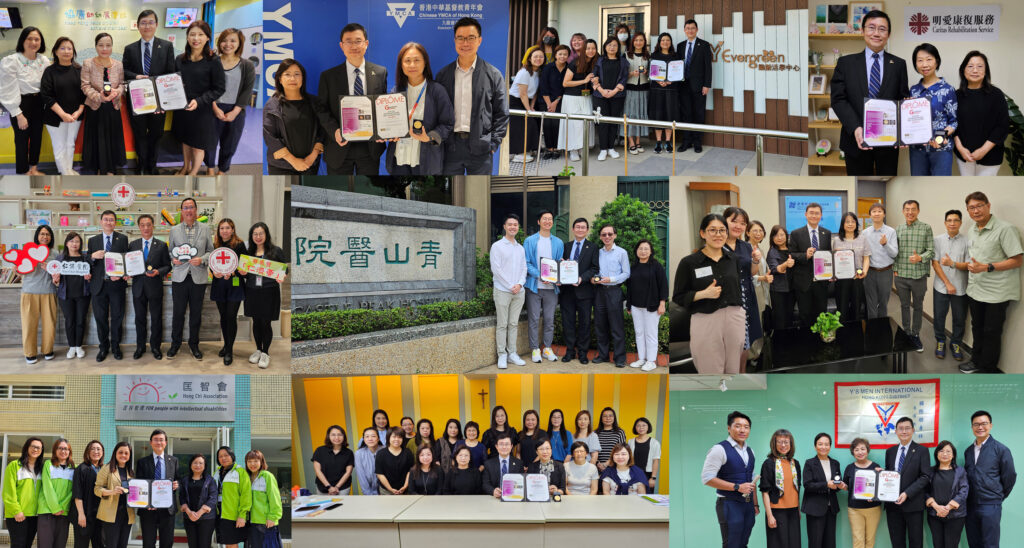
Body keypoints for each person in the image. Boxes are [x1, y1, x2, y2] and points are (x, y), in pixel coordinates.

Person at [831, 10, 909, 174]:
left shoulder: (899, 64)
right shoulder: (846, 63)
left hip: (888, 142)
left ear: (888, 34)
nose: (876, 33)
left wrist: (904, 130)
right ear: (863, 31)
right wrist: (856, 127)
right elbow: (838, 99)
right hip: (855, 139)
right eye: (871, 27)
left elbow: (902, 99)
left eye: (882, 29)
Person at [673, 214, 745, 373]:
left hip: (734, 317)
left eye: (722, 230)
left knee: (733, 368)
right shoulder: (689, 262)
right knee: (710, 368)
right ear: (702, 233)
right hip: (706, 318)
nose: (718, 235)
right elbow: (678, 296)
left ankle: (729, 395)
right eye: (712, 230)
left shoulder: (733, 258)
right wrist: (703, 294)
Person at [436, 17, 508, 174]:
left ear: (479, 40)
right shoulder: (443, 75)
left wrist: (493, 143)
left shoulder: (493, 75)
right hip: (450, 148)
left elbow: (502, 114)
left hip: (481, 149)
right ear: (455, 40)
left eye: (471, 38)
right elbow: (437, 111)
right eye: (460, 38)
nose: (465, 43)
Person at [960, 192, 1023, 374]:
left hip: (997, 292)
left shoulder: (1005, 229)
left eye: (980, 205)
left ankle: (987, 369)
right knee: (977, 327)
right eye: (972, 208)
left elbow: (1017, 260)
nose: (976, 210)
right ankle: (976, 361)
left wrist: (987, 267)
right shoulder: (972, 229)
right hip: (976, 289)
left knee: (991, 332)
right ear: (968, 211)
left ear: (988, 206)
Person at [316, 23, 388, 175]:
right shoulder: (328, 76)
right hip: (339, 146)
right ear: (341, 45)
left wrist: (384, 130)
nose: (353, 46)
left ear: (366, 44)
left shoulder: (380, 73)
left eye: (358, 41)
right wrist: (334, 130)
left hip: (370, 148)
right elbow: (321, 109)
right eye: (348, 41)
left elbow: (383, 107)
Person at [384, 42, 454, 175]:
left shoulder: (437, 91)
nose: (412, 65)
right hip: (399, 158)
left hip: (425, 160)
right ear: (401, 65)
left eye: (417, 60)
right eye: (407, 61)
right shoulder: (395, 92)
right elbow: (388, 123)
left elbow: (448, 123)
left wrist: (429, 137)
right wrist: (387, 133)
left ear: (425, 63)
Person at [123, 10, 176, 175]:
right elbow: (124, 71)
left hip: (158, 101)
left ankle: (152, 165)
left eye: (150, 22)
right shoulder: (130, 48)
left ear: (156, 25)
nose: (147, 26)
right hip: (138, 99)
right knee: (139, 134)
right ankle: (141, 164)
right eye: (143, 23)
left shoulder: (166, 46)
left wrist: (165, 102)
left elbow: (170, 73)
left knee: (156, 134)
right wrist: (136, 76)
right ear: (138, 26)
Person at [172, 21, 225, 175]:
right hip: (183, 107)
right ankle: (185, 167)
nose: (196, 38)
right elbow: (173, 82)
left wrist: (200, 101)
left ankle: (193, 173)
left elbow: (219, 88)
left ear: (207, 37)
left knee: (198, 145)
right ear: (187, 37)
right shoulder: (180, 59)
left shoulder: (213, 60)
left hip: (202, 109)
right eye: (192, 34)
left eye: (200, 34)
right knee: (185, 141)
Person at [702, 411, 758, 548]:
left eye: (746, 427)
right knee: (731, 545)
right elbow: (707, 478)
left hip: (748, 505)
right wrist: (737, 487)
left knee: (743, 543)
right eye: (738, 426)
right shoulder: (719, 449)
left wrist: (755, 504)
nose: (742, 430)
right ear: (729, 428)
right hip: (728, 504)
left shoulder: (750, 451)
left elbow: (751, 480)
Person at [204, 28, 255, 175]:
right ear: (219, 43)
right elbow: (206, 86)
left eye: (233, 41)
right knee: (210, 142)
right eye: (224, 40)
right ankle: (210, 168)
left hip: (236, 110)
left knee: (230, 143)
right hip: (213, 107)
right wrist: (214, 106)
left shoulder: (247, 65)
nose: (228, 44)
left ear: (240, 43)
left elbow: (247, 90)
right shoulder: (212, 62)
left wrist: (235, 111)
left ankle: (223, 170)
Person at [168, 198, 213, 360]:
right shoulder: (174, 230)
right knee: (178, 313)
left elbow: (210, 251)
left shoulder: (206, 229)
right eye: (185, 207)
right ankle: (175, 344)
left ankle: (194, 344)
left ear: (196, 210)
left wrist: (202, 260)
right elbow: (170, 251)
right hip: (180, 277)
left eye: (191, 207)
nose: (189, 210)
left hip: (198, 277)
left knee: (196, 314)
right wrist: (173, 259)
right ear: (181, 210)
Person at [263, 58, 325, 174]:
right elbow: (270, 137)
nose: (292, 78)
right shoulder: (272, 105)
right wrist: (294, 161)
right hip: (281, 167)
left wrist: (312, 157)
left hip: (310, 165)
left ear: (302, 78)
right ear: (280, 79)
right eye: (287, 74)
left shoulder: (314, 102)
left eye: (297, 74)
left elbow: (321, 131)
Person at [964, 410, 1016, 547]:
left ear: (991, 425)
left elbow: (1009, 477)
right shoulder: (968, 451)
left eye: (984, 423)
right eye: (976, 424)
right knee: (973, 542)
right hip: (970, 505)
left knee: (990, 544)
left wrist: (997, 496)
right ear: (972, 427)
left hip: (990, 505)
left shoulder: (1001, 449)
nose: (980, 427)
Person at [0, 27, 48, 175]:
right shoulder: (11, 61)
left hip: (39, 103)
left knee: (36, 137)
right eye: (29, 39)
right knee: (21, 140)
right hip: (21, 103)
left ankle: (34, 168)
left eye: (37, 39)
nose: (33, 42)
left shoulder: (43, 60)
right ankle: (22, 172)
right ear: (22, 40)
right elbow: (7, 89)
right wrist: (18, 114)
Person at [953, 51, 1009, 176]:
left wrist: (983, 150)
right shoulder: (956, 96)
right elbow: (952, 124)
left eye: (979, 66)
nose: (975, 70)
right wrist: (960, 148)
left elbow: (1002, 126)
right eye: (970, 66)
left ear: (986, 71)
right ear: (963, 70)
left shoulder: (996, 95)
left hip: (991, 156)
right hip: (964, 155)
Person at [723, 207, 763, 371]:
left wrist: (755, 261)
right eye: (734, 221)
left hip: (747, 296)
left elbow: (752, 273)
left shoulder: (746, 246)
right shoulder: (717, 245)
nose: (738, 226)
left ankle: (743, 374)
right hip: (726, 299)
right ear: (724, 221)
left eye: (742, 223)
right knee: (730, 343)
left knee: (746, 341)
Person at [884, 417, 933, 548]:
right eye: (900, 428)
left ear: (913, 430)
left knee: (916, 542)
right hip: (893, 505)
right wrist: (880, 476)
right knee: (896, 542)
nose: (904, 431)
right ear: (896, 431)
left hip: (913, 504)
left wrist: (907, 493)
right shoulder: (890, 452)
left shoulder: (922, 450)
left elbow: (925, 476)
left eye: (907, 428)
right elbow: (889, 476)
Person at [908, 43, 956, 176]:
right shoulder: (913, 90)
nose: (925, 64)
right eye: (920, 60)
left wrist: (940, 138)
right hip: (917, 150)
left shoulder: (948, 89)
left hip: (941, 148)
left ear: (937, 62)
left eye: (929, 59)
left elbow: (954, 121)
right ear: (915, 64)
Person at [81, 33, 125, 175]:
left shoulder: (118, 65)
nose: (104, 48)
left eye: (108, 45)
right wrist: (98, 96)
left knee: (112, 138)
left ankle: (111, 168)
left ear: (112, 46)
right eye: (101, 45)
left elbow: (123, 85)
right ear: (96, 46)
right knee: (97, 139)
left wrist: (116, 92)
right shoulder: (88, 63)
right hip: (96, 108)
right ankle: (99, 168)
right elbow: (85, 86)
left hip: (113, 108)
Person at [87, 211, 128, 362]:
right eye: (106, 219)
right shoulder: (93, 240)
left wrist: (123, 273)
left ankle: (116, 347)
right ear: (101, 222)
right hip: (99, 286)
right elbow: (87, 261)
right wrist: (92, 256)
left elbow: (126, 260)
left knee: (117, 317)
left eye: (111, 220)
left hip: (117, 285)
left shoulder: (122, 239)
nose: (109, 222)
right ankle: (103, 347)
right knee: (100, 318)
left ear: (115, 222)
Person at [243, 222, 286, 368]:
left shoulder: (275, 251)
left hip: (269, 291)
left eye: (261, 233)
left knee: (265, 323)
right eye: (255, 234)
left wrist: (282, 276)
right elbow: (244, 273)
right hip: (252, 291)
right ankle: (258, 350)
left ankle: (266, 353)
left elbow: (284, 270)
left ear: (266, 234)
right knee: (256, 322)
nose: (258, 237)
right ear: (251, 236)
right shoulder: (248, 253)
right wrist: (241, 273)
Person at [40, 37, 85, 175]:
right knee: (59, 146)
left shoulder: (79, 69)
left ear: (73, 52)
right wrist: (62, 114)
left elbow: (84, 94)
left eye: (69, 48)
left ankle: (68, 169)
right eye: (62, 48)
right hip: (55, 116)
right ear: (55, 51)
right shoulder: (50, 71)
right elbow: (46, 96)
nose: (66, 51)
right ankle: (64, 173)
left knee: (70, 144)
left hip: (75, 116)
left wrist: (78, 112)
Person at [129, 214, 171, 360]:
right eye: (142, 225)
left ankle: (155, 347)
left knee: (156, 318)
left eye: (148, 224)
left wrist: (158, 272)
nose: (146, 228)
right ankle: (140, 346)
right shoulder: (132, 245)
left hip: (155, 287)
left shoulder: (161, 245)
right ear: (139, 227)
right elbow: (129, 265)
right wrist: (128, 273)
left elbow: (168, 266)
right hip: (138, 288)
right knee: (139, 318)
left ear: (153, 226)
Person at [894, 200, 934, 352]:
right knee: (904, 305)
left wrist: (920, 258)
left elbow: (931, 251)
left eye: (913, 209)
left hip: (919, 276)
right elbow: (895, 252)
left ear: (918, 211)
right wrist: (895, 269)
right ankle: (906, 332)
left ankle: (915, 334)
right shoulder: (898, 229)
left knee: (918, 306)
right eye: (907, 209)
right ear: (903, 211)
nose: (910, 212)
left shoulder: (926, 228)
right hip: (901, 276)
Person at [524, 210, 564, 362]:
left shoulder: (558, 242)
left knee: (549, 319)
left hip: (551, 289)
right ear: (539, 222)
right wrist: (540, 275)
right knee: (533, 319)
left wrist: (558, 277)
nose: (548, 221)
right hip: (534, 286)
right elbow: (526, 262)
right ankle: (535, 349)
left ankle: (547, 348)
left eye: (550, 219)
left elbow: (559, 263)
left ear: (552, 222)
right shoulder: (530, 241)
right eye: (544, 219)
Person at [559, 217, 600, 363]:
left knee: (584, 324)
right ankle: (570, 352)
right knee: (568, 323)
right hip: (567, 292)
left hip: (585, 292)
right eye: (577, 227)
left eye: (583, 227)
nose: (580, 229)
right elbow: (560, 266)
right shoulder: (566, 246)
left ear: (587, 230)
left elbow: (595, 268)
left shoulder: (593, 247)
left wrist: (582, 278)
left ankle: (583, 353)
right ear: (573, 229)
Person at [931, 209, 970, 360]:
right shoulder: (937, 240)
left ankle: (956, 343)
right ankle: (940, 340)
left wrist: (952, 264)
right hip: (941, 287)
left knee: (959, 318)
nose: (952, 223)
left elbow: (968, 265)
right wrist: (947, 283)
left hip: (960, 287)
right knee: (939, 316)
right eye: (949, 220)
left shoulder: (967, 241)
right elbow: (935, 264)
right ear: (945, 223)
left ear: (960, 223)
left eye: (955, 220)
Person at [490, 213, 527, 368]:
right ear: (504, 227)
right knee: (502, 324)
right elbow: (496, 269)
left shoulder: (520, 248)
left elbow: (524, 268)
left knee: (513, 324)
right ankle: (502, 355)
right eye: (510, 224)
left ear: (518, 228)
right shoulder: (497, 246)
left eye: (515, 225)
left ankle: (512, 353)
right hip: (502, 291)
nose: (513, 227)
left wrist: (519, 284)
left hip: (519, 292)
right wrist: (510, 285)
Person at [209, 219, 247, 365]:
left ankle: (230, 350)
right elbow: (213, 264)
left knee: (231, 317)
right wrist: (214, 272)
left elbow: (245, 266)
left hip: (234, 285)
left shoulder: (239, 245)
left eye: (227, 228)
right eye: (221, 228)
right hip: (219, 284)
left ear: (232, 230)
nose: (224, 231)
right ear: (219, 231)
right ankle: (226, 345)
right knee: (224, 316)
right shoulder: (215, 246)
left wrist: (234, 272)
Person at [626, 239, 667, 371]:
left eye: (646, 249)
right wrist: (629, 305)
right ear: (636, 251)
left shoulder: (656, 266)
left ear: (650, 251)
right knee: (639, 333)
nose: (643, 251)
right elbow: (630, 288)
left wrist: (662, 303)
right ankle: (641, 359)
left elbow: (663, 286)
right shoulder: (633, 267)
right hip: (636, 306)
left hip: (652, 306)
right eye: (640, 249)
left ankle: (651, 361)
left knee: (651, 334)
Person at [790, 203, 833, 328]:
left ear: (821, 215)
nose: (814, 216)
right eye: (811, 213)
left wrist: (832, 273)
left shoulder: (827, 233)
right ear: (806, 214)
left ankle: (821, 341)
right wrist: (805, 255)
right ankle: (807, 343)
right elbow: (791, 254)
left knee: (821, 314)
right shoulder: (796, 233)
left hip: (821, 282)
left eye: (817, 213)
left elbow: (828, 255)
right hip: (803, 282)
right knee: (805, 315)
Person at [593, 224, 630, 367]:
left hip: (614, 291)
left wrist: (611, 279)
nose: (607, 237)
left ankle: (620, 358)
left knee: (616, 326)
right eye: (604, 234)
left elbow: (626, 273)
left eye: (609, 234)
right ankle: (603, 355)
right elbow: (595, 270)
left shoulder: (621, 252)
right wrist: (594, 278)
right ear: (600, 237)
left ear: (615, 235)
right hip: (599, 291)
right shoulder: (598, 252)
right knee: (600, 325)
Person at [136, 430, 179, 548]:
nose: (158, 442)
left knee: (167, 543)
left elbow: (177, 479)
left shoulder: (173, 461)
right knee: (148, 543)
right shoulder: (142, 462)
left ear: (165, 442)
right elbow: (140, 485)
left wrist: (176, 484)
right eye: (156, 439)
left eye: (161, 440)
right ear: (151, 442)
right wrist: (147, 502)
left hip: (167, 509)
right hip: (148, 510)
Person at [759, 429, 801, 548]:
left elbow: (797, 488)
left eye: (786, 442)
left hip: (793, 511)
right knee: (778, 544)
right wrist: (769, 515)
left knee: (794, 544)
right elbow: (765, 491)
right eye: (780, 442)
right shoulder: (768, 464)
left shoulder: (795, 463)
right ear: (774, 444)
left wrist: (798, 510)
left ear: (791, 444)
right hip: (777, 511)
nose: (783, 445)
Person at [20, 225, 57, 364]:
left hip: (49, 291)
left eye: (48, 234)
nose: (45, 237)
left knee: (50, 324)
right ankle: (30, 353)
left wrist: (53, 272)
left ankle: (48, 350)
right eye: (42, 234)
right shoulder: (27, 250)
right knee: (29, 324)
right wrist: (17, 268)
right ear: (37, 235)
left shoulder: (54, 253)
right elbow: (20, 269)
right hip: (29, 292)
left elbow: (57, 273)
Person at [802, 433, 845, 548]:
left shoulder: (835, 463)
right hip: (814, 508)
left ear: (830, 446)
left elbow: (835, 484)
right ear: (815, 446)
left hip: (831, 509)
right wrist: (826, 484)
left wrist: (839, 486)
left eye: (826, 444)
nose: (823, 447)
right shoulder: (809, 463)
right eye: (820, 444)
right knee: (815, 542)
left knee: (830, 542)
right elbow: (807, 485)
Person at [676, 19, 713, 153]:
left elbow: (708, 67)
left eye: (692, 28)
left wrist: (707, 85)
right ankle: (686, 142)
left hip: (699, 86)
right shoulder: (680, 46)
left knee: (699, 114)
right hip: (683, 86)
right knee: (686, 114)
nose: (690, 30)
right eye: (687, 28)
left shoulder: (703, 45)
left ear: (697, 30)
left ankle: (698, 142)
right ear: (684, 30)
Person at [558, 38, 598, 162]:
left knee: (586, 123)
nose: (591, 51)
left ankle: (582, 147)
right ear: (584, 49)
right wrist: (584, 81)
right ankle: (572, 150)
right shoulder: (574, 63)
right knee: (573, 124)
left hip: (586, 97)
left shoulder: (595, 62)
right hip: (572, 98)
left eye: (593, 48)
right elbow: (565, 83)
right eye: (588, 48)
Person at [52, 232, 90, 360]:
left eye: (77, 241)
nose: (74, 244)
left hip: (83, 294)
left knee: (80, 321)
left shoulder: (85, 258)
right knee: (69, 321)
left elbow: (92, 276)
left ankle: (79, 346)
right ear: (67, 243)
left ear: (80, 244)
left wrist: (89, 277)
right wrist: (55, 279)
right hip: (65, 295)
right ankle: (71, 346)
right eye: (72, 241)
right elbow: (55, 280)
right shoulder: (60, 258)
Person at [926, 441, 969, 548]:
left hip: (956, 516)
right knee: (937, 544)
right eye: (941, 451)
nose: (945, 454)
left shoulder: (960, 471)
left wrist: (948, 507)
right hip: (934, 514)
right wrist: (936, 507)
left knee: (951, 545)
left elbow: (964, 490)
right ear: (936, 454)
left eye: (948, 451)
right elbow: (924, 491)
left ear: (953, 455)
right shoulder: (930, 471)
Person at [591, 36, 627, 161]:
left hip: (617, 96)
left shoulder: (622, 61)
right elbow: (594, 77)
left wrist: (614, 91)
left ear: (618, 48)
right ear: (605, 47)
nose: (612, 47)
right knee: (603, 123)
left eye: (615, 45)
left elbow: (624, 77)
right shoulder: (599, 60)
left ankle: (611, 148)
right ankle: (603, 149)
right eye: (609, 45)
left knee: (613, 122)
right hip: (600, 96)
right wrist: (601, 90)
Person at [842, 438, 883, 548]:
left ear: (867, 450)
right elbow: (847, 486)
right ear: (853, 452)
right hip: (855, 509)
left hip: (873, 508)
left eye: (862, 449)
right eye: (856, 450)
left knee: (870, 540)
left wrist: (884, 475)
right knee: (858, 540)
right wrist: (842, 486)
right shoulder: (850, 468)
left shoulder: (876, 467)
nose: (860, 452)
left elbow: (881, 488)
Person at [862, 203, 899, 319]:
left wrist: (885, 244)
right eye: (874, 211)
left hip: (885, 272)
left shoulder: (891, 231)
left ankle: (882, 328)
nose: (876, 213)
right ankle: (872, 330)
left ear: (884, 214)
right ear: (870, 215)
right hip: (870, 272)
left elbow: (894, 254)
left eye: (879, 211)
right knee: (871, 303)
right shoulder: (865, 233)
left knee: (883, 303)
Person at [832, 211, 872, 321]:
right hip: (841, 279)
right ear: (843, 224)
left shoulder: (863, 238)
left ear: (856, 224)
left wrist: (864, 272)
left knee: (856, 309)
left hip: (857, 278)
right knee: (842, 310)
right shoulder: (836, 240)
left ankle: (856, 334)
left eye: (853, 221)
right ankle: (842, 334)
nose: (850, 224)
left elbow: (866, 257)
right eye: (847, 222)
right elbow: (833, 259)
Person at [3, 437, 43, 548]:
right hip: (18, 514)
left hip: (34, 515)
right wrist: (16, 511)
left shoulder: (41, 469)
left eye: (39, 448)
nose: (36, 449)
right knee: (18, 545)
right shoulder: (14, 466)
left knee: (27, 544)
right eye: (33, 446)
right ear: (27, 448)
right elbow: (8, 492)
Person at [508, 48, 545, 164]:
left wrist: (532, 106)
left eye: (541, 57)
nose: (538, 59)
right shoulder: (524, 72)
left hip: (526, 101)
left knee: (531, 125)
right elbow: (522, 93)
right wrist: (528, 109)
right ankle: (518, 154)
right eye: (535, 56)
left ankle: (527, 150)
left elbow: (534, 92)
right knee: (522, 127)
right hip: (515, 101)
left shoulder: (537, 72)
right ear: (529, 58)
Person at [94, 442, 133, 548]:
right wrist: (112, 491)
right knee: (111, 545)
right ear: (115, 453)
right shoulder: (106, 468)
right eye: (120, 452)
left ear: (130, 456)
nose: (123, 455)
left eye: (126, 453)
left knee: (123, 545)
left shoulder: (131, 472)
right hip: (110, 514)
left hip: (127, 514)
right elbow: (97, 489)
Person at [36, 439, 73, 548]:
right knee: (44, 544)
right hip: (46, 511)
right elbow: (48, 488)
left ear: (69, 451)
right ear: (55, 450)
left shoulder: (73, 468)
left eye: (66, 449)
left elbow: (72, 491)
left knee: (60, 544)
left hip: (64, 512)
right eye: (60, 448)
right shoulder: (48, 464)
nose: (63, 451)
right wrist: (55, 508)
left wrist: (62, 507)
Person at [537, 44, 569, 160]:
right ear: (555, 55)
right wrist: (549, 104)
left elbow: (565, 88)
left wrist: (555, 102)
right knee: (547, 124)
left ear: (568, 56)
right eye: (560, 54)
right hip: (545, 100)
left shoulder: (568, 68)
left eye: (565, 54)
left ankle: (556, 148)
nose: (562, 56)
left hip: (559, 101)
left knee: (556, 124)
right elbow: (543, 86)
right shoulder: (548, 67)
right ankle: (548, 148)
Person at [649, 33, 679, 153]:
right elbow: (652, 73)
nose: (665, 42)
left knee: (669, 115)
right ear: (659, 42)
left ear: (671, 42)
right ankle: (658, 141)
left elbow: (679, 74)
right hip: (657, 90)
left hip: (671, 90)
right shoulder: (654, 56)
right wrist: (658, 81)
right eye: (663, 40)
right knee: (658, 115)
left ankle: (667, 141)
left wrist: (671, 81)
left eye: (668, 40)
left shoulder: (676, 56)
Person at [214, 446, 250, 548]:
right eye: (220, 456)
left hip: (233, 514)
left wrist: (242, 515)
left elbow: (246, 495)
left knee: (232, 543)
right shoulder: (217, 473)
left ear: (232, 456)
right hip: (220, 512)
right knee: (227, 542)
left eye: (226, 455)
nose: (223, 458)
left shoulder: (240, 472)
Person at [179, 454, 217, 548]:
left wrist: (200, 513)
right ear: (191, 464)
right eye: (195, 462)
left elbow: (213, 497)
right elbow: (182, 497)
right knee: (192, 545)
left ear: (204, 466)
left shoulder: (210, 480)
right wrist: (189, 512)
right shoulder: (185, 480)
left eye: (201, 463)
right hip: (189, 518)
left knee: (204, 544)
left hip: (206, 519)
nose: (198, 465)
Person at [245, 451, 281, 548]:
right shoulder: (247, 478)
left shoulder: (267, 476)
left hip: (266, 523)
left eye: (256, 461)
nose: (252, 464)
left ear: (261, 462)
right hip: (251, 522)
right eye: (249, 461)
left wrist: (273, 517)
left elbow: (275, 498)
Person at [746, 221, 771, 361]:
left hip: (761, 291)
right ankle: (752, 356)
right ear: (747, 232)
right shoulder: (745, 249)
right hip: (752, 291)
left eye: (761, 231)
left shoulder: (759, 249)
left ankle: (758, 353)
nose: (758, 233)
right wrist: (762, 277)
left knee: (760, 322)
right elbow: (745, 274)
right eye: (754, 230)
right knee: (754, 324)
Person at [71, 441, 103, 548]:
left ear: (102, 452)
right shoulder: (81, 468)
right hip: (84, 514)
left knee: (99, 544)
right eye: (92, 449)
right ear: (87, 452)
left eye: (98, 449)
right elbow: (77, 493)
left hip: (99, 516)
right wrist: (81, 514)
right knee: (81, 544)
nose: (96, 451)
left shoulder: (104, 469)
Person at [623, 32, 650, 155]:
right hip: (630, 88)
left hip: (644, 89)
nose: (638, 42)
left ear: (644, 42)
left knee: (640, 114)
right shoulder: (626, 56)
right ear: (632, 42)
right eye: (636, 40)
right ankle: (630, 141)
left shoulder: (647, 56)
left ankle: (638, 141)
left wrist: (646, 72)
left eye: (641, 40)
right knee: (630, 114)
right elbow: (621, 75)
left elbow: (653, 74)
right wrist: (631, 74)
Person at [766, 225, 795, 331]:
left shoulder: (792, 249)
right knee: (780, 319)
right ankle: (779, 344)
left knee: (789, 317)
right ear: (772, 238)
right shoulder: (772, 252)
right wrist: (786, 264)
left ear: (786, 236)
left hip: (792, 289)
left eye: (782, 235)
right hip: (778, 290)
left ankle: (789, 343)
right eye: (776, 235)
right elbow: (775, 269)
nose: (779, 237)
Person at [312, 426, 354, 495]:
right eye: (333, 435)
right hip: (323, 487)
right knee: (324, 505)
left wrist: (337, 487)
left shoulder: (349, 453)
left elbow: (348, 472)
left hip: (342, 488)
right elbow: (318, 471)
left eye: (340, 435)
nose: (337, 438)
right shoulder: (320, 450)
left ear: (344, 436)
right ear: (328, 436)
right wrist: (329, 487)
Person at [482, 433, 523, 498]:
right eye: (501, 444)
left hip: (513, 497)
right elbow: (485, 484)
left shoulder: (519, 463)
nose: (504, 447)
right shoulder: (488, 464)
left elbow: (521, 483)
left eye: (507, 444)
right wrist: (493, 491)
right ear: (496, 446)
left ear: (511, 446)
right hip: (495, 498)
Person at [375, 428, 413, 495]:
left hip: (405, 490)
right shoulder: (381, 453)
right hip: (386, 490)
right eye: (394, 437)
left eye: (399, 437)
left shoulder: (407, 452)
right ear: (388, 438)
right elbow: (380, 474)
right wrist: (390, 489)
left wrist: (405, 486)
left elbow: (410, 471)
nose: (396, 439)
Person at [628, 417, 661, 492]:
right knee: (631, 497)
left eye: (644, 425)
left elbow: (656, 461)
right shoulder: (630, 442)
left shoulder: (655, 443)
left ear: (648, 427)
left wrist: (653, 478)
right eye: (638, 425)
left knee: (647, 498)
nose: (641, 428)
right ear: (635, 428)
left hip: (647, 475)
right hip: (632, 473)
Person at [595, 407, 627, 472]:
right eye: (605, 416)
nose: (608, 418)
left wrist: (606, 464)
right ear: (601, 419)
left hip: (615, 467)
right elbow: (593, 451)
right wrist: (598, 464)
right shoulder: (595, 433)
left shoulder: (620, 432)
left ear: (614, 418)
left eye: (610, 416)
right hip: (597, 468)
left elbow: (621, 450)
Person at [354, 428, 381, 495]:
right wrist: (368, 494)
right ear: (364, 439)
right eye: (367, 436)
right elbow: (361, 476)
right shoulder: (359, 453)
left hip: (385, 491)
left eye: (373, 436)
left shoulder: (385, 450)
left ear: (378, 438)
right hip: (369, 492)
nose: (370, 439)